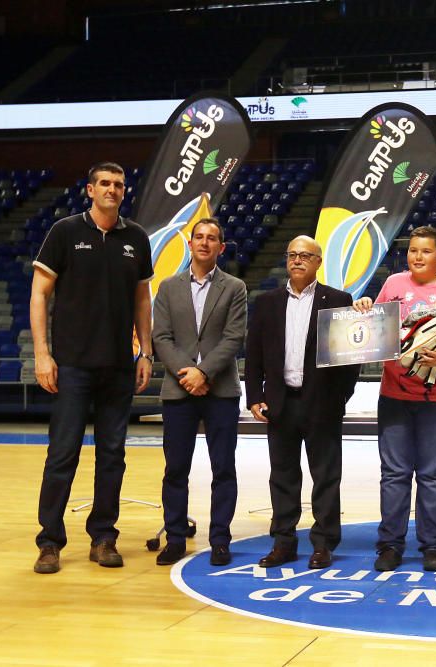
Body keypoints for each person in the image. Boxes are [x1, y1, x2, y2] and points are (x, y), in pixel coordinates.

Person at [31, 161, 154, 574]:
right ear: (89, 189)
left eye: (119, 184)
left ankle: (103, 536)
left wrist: (146, 352)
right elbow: (39, 294)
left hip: (118, 366)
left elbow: (142, 300)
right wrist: (42, 354)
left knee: (113, 455)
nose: (112, 190)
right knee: (62, 454)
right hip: (72, 367)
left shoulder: (135, 238)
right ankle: (49, 542)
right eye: (105, 183)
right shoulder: (65, 232)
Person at [353, 226, 436, 572]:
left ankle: (432, 545)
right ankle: (390, 545)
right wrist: (364, 307)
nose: (417, 257)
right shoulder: (393, 284)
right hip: (394, 394)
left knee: (433, 474)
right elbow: (374, 330)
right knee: (394, 474)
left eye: (425, 251)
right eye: (412, 251)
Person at [244, 235, 360, 570]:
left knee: (325, 476)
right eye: (292, 254)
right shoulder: (267, 302)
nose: (297, 260)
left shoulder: (338, 299)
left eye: (305, 255)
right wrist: (254, 396)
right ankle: (284, 542)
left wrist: (339, 398)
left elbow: (350, 358)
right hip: (280, 403)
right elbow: (253, 355)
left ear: (318, 262)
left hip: (321, 403)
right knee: (282, 475)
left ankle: (323, 544)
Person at [151, 218, 247, 567]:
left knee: (223, 468)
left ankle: (220, 539)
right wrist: (187, 374)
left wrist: (203, 372)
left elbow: (234, 338)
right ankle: (175, 537)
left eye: (212, 239)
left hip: (220, 390)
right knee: (176, 468)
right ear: (190, 244)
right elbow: (160, 337)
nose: (205, 243)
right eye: (199, 238)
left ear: (221, 248)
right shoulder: (168, 287)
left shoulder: (234, 287)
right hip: (179, 391)